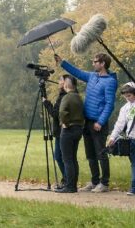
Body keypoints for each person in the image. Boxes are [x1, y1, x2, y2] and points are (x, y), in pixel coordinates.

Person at [54, 53, 117, 193]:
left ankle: (104, 183)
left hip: (98, 123)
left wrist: (100, 121)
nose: (93, 64)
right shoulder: (92, 76)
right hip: (86, 121)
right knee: (90, 154)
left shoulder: (110, 81)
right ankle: (94, 181)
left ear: (103, 64)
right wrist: (62, 62)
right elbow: (77, 72)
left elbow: (109, 104)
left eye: (95, 62)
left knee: (101, 153)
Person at [43, 74, 75, 188]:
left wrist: (46, 103)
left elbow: (55, 114)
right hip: (62, 131)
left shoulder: (63, 96)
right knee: (64, 157)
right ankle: (67, 180)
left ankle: (67, 181)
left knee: (60, 156)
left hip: (62, 131)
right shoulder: (64, 95)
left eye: (60, 80)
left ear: (65, 82)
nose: (58, 82)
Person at [54, 75, 84, 193]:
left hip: (68, 130)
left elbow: (62, 112)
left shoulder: (67, 97)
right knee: (73, 159)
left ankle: (69, 186)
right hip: (78, 129)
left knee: (67, 159)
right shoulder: (78, 97)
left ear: (66, 85)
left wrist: (64, 123)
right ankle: (73, 185)